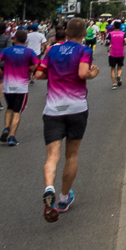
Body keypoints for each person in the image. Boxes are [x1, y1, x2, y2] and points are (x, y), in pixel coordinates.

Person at [35, 17, 99, 223]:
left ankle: (49, 187)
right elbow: (82, 73)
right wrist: (93, 73)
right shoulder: (84, 51)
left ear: (66, 32)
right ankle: (63, 198)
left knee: (52, 155)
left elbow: (39, 74)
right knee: (72, 154)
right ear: (83, 34)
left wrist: (54, 75)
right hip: (76, 108)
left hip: (53, 109)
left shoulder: (52, 50)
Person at [0, 29, 39, 146]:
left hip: (8, 84)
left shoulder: (7, 50)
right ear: (25, 40)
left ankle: (6, 128)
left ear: (15, 39)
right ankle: (12, 136)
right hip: (21, 85)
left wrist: (1, 73)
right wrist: (30, 70)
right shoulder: (29, 52)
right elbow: (37, 64)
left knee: (9, 107)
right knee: (17, 111)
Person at [107, 20, 126, 89]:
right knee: (120, 67)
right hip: (121, 52)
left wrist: (108, 48)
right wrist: (122, 44)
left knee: (112, 69)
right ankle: (118, 75)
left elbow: (108, 43)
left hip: (113, 53)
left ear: (114, 26)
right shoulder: (123, 33)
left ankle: (114, 84)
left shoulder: (110, 34)